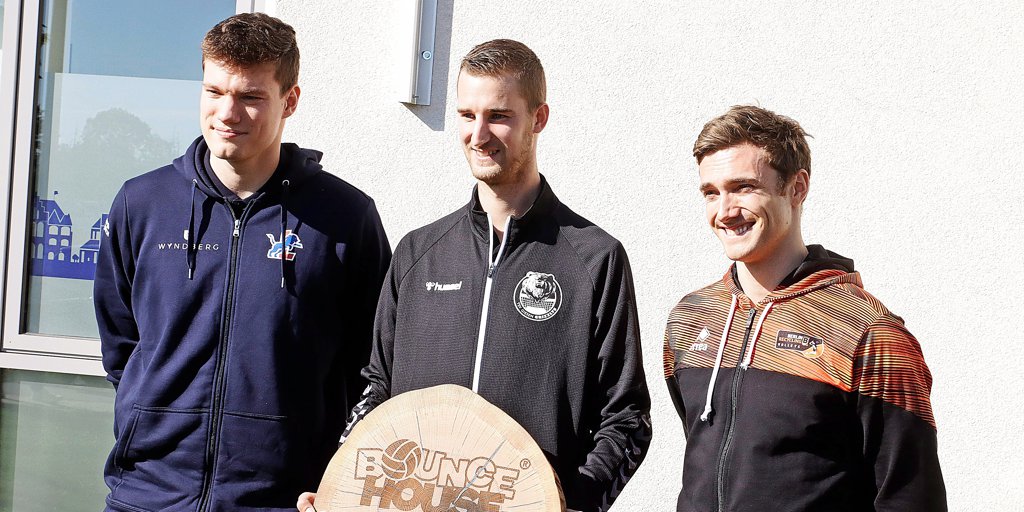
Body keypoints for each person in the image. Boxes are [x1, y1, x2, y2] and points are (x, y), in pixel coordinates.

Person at [298, 39, 651, 512]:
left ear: (539, 119)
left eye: (498, 116)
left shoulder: (594, 259)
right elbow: (376, 391)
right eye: (467, 115)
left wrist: (576, 501)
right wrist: (339, 487)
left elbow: (627, 418)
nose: (478, 135)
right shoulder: (418, 253)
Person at [94, 13, 390, 511]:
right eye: (214, 91)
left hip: (283, 499)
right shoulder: (141, 204)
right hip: (148, 494)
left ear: (289, 101)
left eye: (250, 97)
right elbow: (121, 346)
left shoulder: (345, 218)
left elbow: (371, 363)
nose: (227, 113)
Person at [663, 105, 946, 511]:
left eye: (743, 187)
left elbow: (910, 498)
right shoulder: (691, 318)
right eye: (711, 192)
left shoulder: (868, 332)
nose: (724, 212)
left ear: (797, 188)